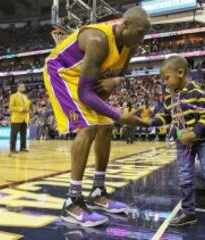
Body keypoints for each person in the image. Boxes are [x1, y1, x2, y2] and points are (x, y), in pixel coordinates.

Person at [43, 6, 151, 227]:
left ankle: (98, 191)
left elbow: (118, 74)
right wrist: (121, 116)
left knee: (106, 127)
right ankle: (72, 201)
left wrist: (116, 82)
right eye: (139, 33)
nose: (141, 39)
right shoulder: (98, 40)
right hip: (62, 73)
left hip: (86, 80)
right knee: (88, 127)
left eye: (144, 35)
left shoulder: (130, 45)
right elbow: (84, 92)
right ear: (125, 25)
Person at [141, 56, 205, 238]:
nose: (164, 82)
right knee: (184, 178)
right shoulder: (169, 96)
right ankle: (189, 213)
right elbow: (166, 117)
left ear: (180, 73)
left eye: (166, 78)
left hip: (203, 141)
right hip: (183, 144)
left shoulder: (197, 91)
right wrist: (147, 122)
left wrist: (194, 133)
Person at [9, 83, 31, 154]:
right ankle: (12, 149)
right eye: (21, 86)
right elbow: (11, 107)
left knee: (23, 134)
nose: (23, 87)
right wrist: (21, 109)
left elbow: (27, 106)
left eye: (24, 86)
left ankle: (23, 147)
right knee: (14, 135)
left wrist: (29, 109)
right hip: (16, 119)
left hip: (24, 118)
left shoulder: (25, 96)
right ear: (17, 88)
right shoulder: (13, 96)